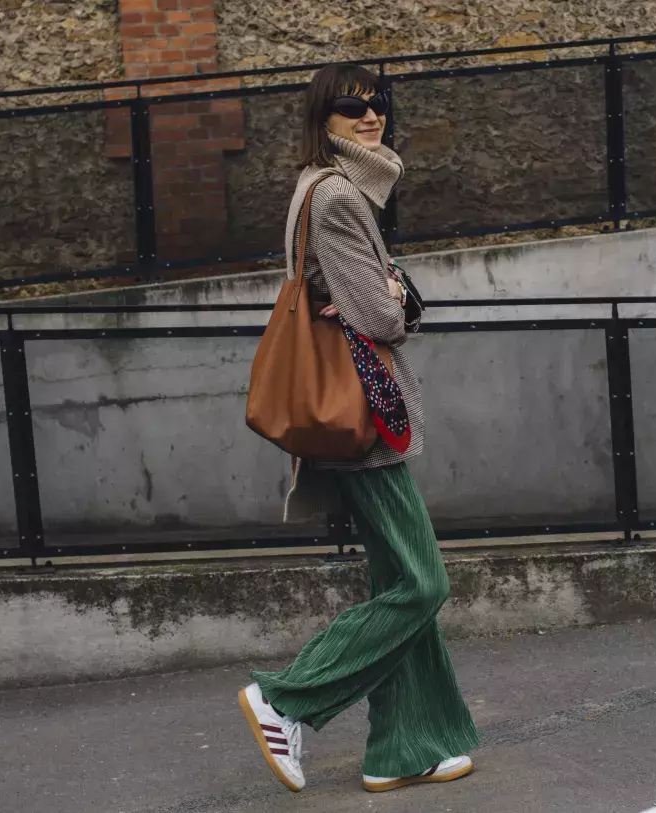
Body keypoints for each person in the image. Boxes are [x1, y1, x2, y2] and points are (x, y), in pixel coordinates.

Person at [237, 63, 479, 795]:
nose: (371, 117)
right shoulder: (339, 195)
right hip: (361, 420)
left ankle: (403, 746)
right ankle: (287, 699)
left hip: (348, 413)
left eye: (378, 106)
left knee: (398, 580)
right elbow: (380, 317)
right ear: (325, 117)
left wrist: (381, 293)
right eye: (353, 106)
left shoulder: (317, 187)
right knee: (422, 582)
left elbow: (360, 300)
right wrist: (395, 297)